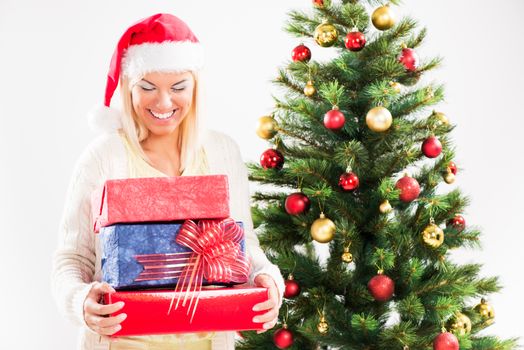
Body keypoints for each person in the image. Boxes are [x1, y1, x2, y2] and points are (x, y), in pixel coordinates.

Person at [51, 13, 285, 350]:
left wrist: (265, 279)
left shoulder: (222, 152)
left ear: (195, 86)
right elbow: (71, 259)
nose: (163, 103)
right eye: (147, 87)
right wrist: (80, 301)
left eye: (178, 87)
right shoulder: (104, 156)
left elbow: (242, 243)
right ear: (129, 87)